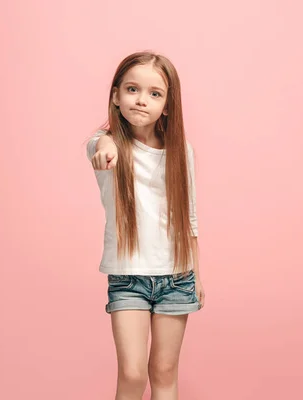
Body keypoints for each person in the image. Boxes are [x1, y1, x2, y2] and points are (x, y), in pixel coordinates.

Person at [86, 51, 205, 400]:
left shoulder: (181, 151)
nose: (142, 100)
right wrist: (106, 145)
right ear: (116, 96)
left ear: (167, 105)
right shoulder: (105, 146)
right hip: (128, 278)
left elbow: (189, 217)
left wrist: (198, 273)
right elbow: (102, 144)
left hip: (177, 276)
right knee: (134, 373)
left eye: (155, 93)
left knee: (164, 372)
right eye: (132, 89)